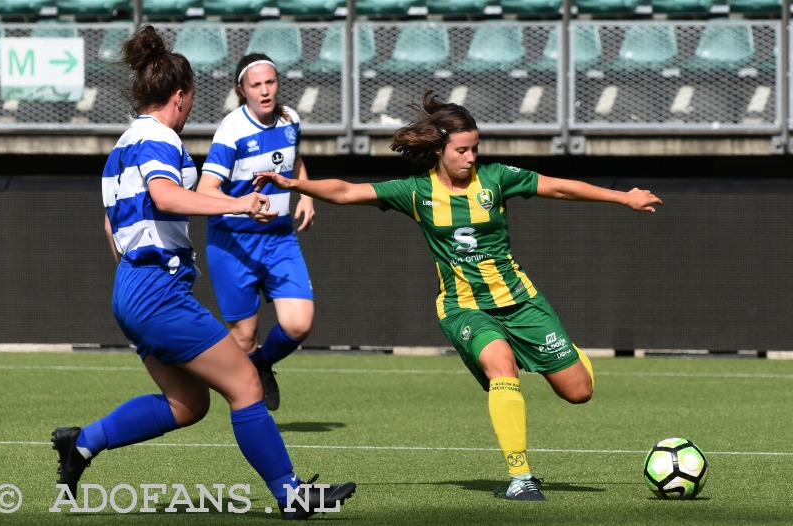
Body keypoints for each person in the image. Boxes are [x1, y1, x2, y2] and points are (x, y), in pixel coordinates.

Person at [256, 91, 663, 502]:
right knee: (502, 368)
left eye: (475, 149)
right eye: (463, 150)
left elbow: (557, 187)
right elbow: (347, 192)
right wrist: (294, 183)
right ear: (439, 149)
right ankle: (520, 477)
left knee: (579, 391)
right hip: (463, 307)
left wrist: (622, 196)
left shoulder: (497, 178)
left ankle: (560, 353)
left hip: (521, 301)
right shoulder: (417, 191)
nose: (471, 158)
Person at [51, 26, 355, 520]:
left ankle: (81, 444)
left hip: (131, 287)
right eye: (191, 97)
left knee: (187, 403)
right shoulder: (159, 140)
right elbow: (167, 197)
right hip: (157, 291)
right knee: (246, 385)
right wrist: (236, 204)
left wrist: (139, 276)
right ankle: (292, 496)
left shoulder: (122, 145)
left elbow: (111, 223)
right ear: (179, 95)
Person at [196, 53, 316, 411]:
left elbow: (295, 161)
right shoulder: (232, 130)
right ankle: (251, 414)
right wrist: (245, 204)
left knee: (299, 324)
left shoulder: (291, 118)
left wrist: (306, 193)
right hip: (233, 243)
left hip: (280, 238)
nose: (265, 91)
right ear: (241, 90)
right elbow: (205, 190)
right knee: (244, 336)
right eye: (256, 85)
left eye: (270, 82)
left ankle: (263, 365)